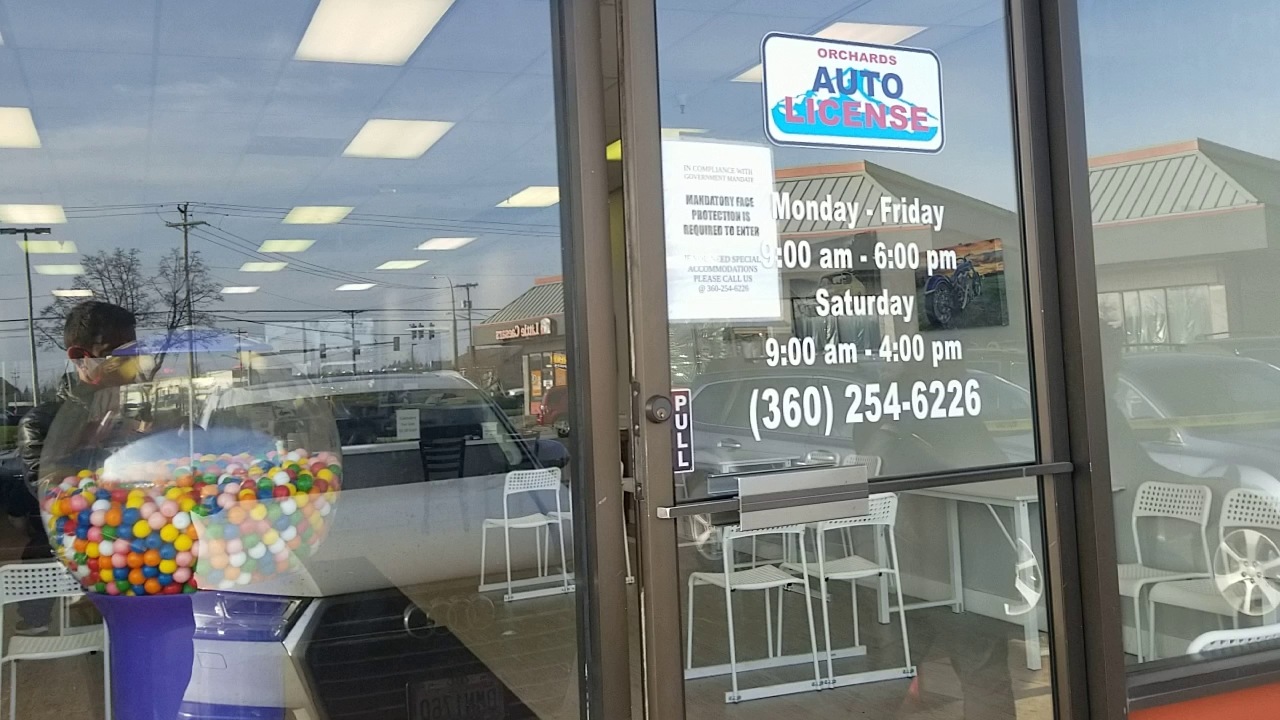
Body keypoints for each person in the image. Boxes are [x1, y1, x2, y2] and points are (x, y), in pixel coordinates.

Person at [14, 301, 136, 635]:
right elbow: (50, 493)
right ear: (80, 357)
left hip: (143, 556)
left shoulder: (133, 417)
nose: (129, 363)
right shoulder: (42, 424)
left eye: (132, 352)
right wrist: (89, 440)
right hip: (86, 563)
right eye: (114, 354)